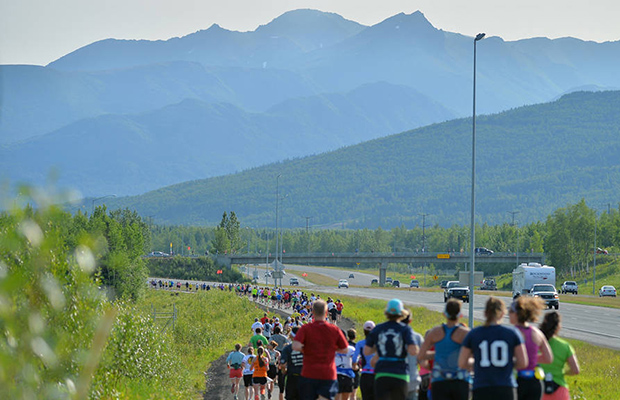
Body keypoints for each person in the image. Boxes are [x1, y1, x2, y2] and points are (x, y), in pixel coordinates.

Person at [458, 297, 528, 400]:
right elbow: (523, 362)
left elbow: (462, 363)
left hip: (482, 388)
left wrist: (478, 363)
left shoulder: (474, 334)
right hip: (505, 387)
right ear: (503, 314)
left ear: (485, 313)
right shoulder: (512, 333)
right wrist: (507, 363)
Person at [293, 299, 349, 400]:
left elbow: (296, 346)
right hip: (327, 373)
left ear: (312, 312)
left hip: (309, 373)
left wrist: (307, 349)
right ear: (326, 312)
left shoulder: (306, 328)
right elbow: (345, 349)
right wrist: (332, 349)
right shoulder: (334, 329)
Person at [364, 299, 419, 400]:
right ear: (401, 313)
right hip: (400, 373)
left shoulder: (378, 329)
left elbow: (366, 351)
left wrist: (381, 346)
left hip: (382, 373)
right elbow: (413, 350)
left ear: (387, 313)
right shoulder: (405, 329)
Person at [418, 299, 470, 400]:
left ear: (444, 314)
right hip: (460, 380)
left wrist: (436, 355)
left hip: (439, 380)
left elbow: (421, 355)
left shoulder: (435, 332)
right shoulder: (465, 333)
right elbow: (474, 356)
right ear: (460, 315)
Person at [509, 297, 553, 400]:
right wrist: (531, 358)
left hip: (516, 380)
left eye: (510, 311)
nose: (508, 313)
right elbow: (548, 358)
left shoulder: (511, 333)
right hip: (535, 382)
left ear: (516, 314)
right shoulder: (537, 333)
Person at [538, 312, 580, 400]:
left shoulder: (536, 343)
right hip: (559, 389)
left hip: (539, 388)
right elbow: (575, 370)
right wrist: (564, 373)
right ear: (558, 327)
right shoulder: (565, 346)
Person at [400, 309, 424, 400]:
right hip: (412, 381)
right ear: (410, 321)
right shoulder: (417, 337)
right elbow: (422, 361)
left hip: (394, 381)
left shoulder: (390, 336)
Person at [353, 321, 376, 400]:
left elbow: (354, 359)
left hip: (365, 374)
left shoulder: (360, 344)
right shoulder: (379, 344)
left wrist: (355, 367)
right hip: (376, 375)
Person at [280, 326, 304, 400]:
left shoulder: (287, 348)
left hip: (292, 377)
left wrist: (284, 371)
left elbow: (283, 364)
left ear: (291, 336)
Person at [335, 330, 357, 400]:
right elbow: (355, 361)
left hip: (336, 376)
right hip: (348, 376)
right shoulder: (351, 349)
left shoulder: (332, 349)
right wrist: (355, 367)